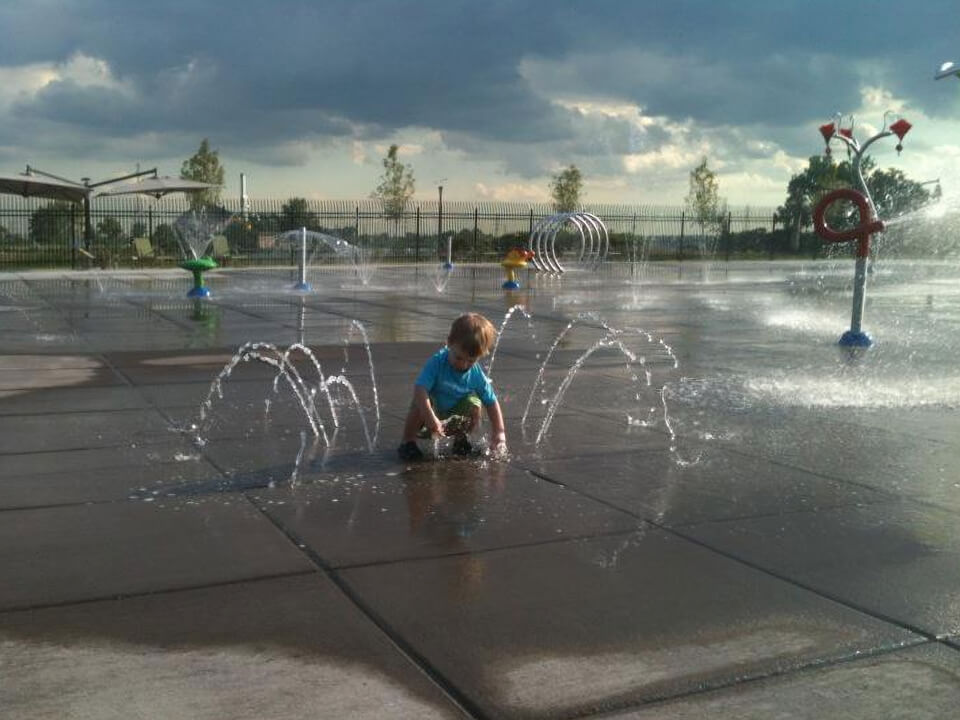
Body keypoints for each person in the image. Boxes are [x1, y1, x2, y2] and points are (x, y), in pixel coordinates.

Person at [398, 312, 506, 461]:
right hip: (429, 414)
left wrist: (499, 433)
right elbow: (419, 389)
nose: (463, 364)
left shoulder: (475, 374)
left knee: (473, 404)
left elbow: (491, 401)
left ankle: (460, 440)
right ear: (449, 343)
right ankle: (408, 441)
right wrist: (430, 416)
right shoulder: (437, 363)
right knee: (420, 399)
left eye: (471, 360)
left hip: (453, 418)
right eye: (459, 357)